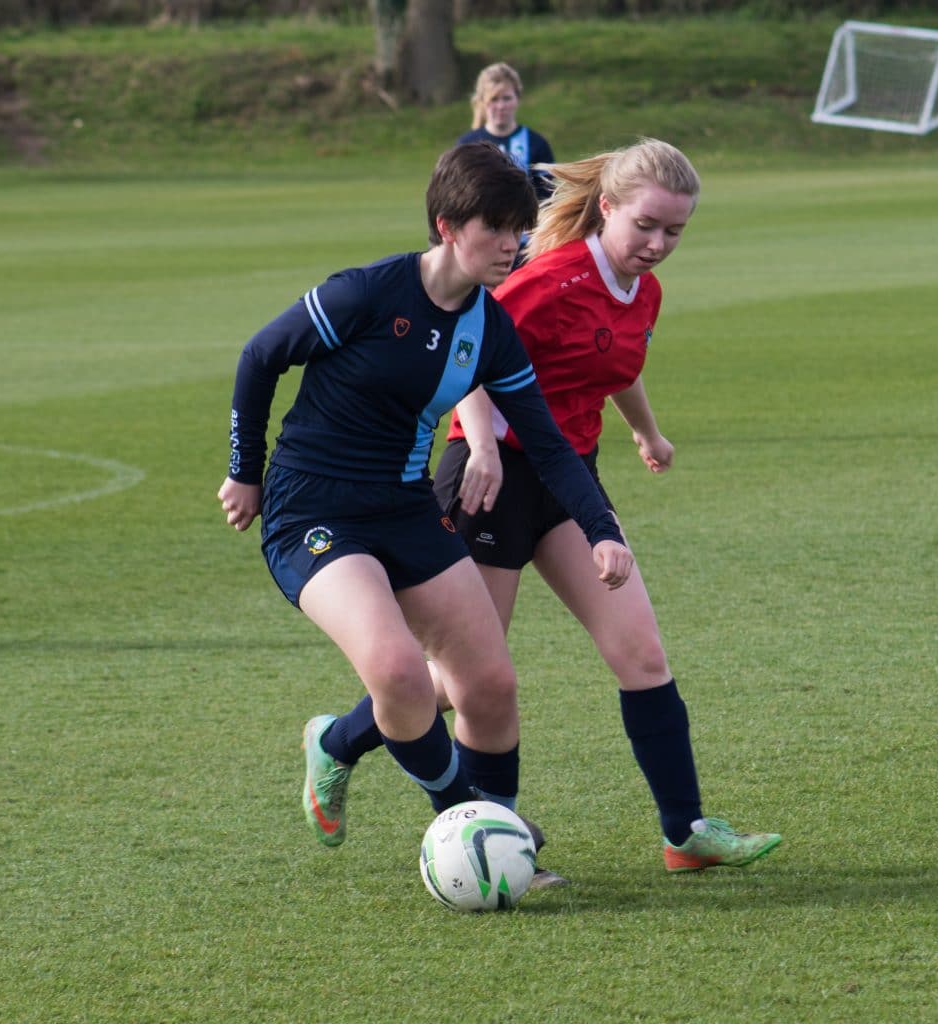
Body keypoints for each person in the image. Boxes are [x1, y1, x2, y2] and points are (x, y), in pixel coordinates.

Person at [309, 139, 781, 875]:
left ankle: (685, 831)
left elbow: (612, 363)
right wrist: (483, 441)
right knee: (469, 681)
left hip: (568, 480)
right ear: (608, 208)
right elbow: (464, 340)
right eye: (647, 226)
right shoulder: (549, 279)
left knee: (641, 651)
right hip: (488, 478)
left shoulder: (643, 291)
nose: (658, 245)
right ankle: (344, 747)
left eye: (676, 232)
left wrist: (644, 430)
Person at [216, 142, 634, 847]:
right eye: (493, 230)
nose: (512, 244)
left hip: (405, 506)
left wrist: (601, 528)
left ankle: (493, 841)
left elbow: (548, 442)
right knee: (398, 671)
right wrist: (244, 469)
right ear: (446, 226)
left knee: (490, 685)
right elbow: (261, 356)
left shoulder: (490, 330)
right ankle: (469, 822)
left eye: (518, 228)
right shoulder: (367, 293)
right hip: (312, 508)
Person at [457, 62, 555, 202]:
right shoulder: (467, 145)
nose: (501, 106)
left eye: (507, 98)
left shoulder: (537, 144)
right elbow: (458, 196)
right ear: (482, 102)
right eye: (494, 99)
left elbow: (548, 198)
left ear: (518, 99)